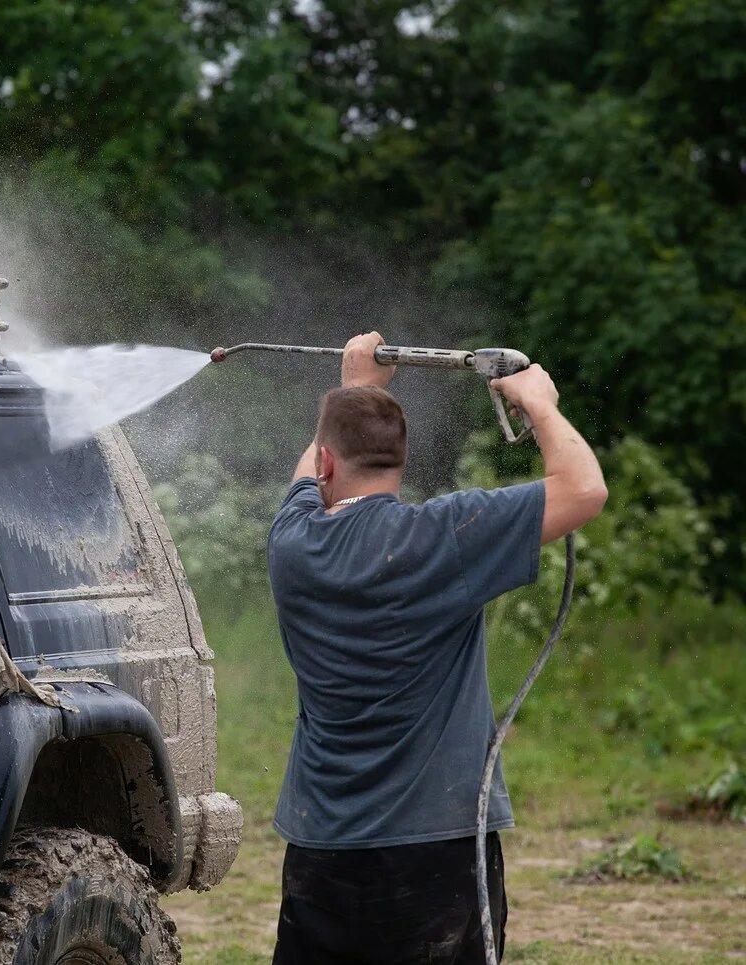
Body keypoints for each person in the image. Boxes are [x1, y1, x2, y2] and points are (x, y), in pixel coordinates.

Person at [268, 332, 607, 964]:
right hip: (435, 854)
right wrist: (540, 405)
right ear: (401, 461)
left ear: (327, 466)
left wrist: (358, 389)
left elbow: (307, 475)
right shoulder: (446, 537)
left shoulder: (291, 544)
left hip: (322, 852)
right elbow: (584, 490)